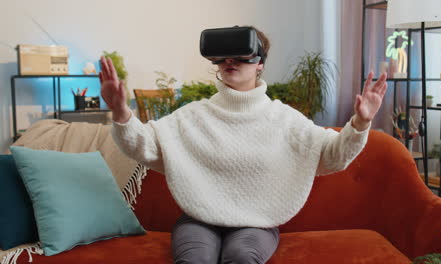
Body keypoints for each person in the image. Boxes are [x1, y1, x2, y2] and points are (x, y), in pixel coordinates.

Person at [99, 26, 387, 264]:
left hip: (257, 222)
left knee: (241, 256)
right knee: (195, 259)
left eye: (241, 55)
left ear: (260, 63)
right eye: (223, 56)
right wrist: (121, 111)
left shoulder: (284, 119)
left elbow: (333, 155)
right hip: (198, 220)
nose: (230, 61)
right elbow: (143, 145)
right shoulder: (193, 115)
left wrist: (360, 123)